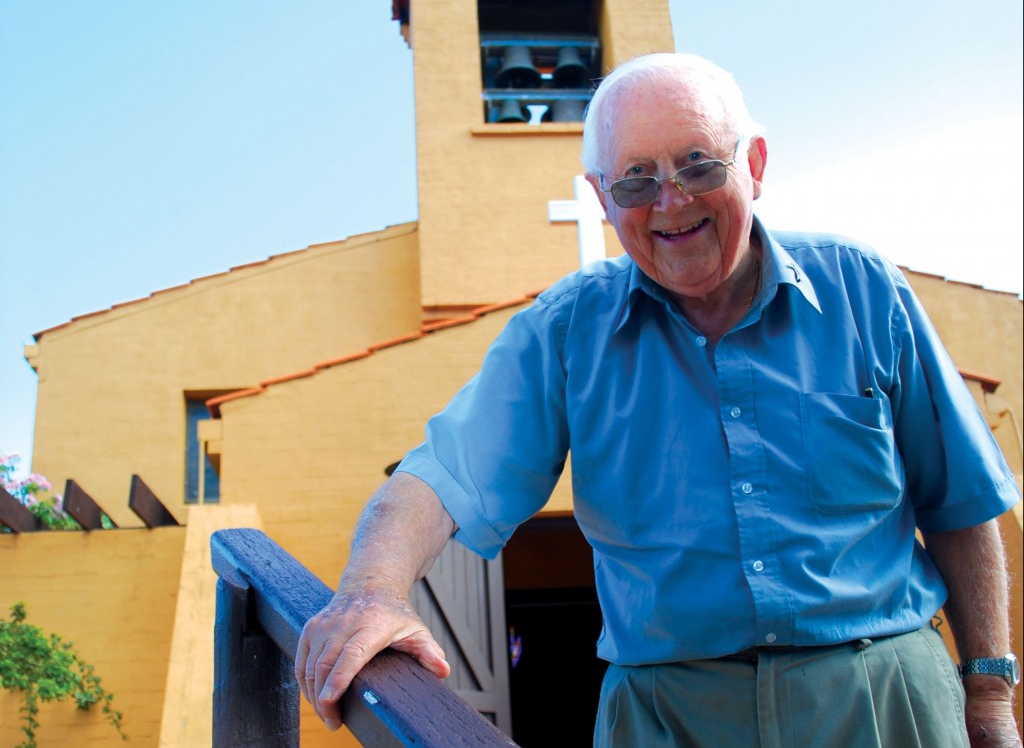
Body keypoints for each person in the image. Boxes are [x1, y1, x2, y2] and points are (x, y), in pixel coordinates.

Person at [296, 53, 1021, 747]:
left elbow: (960, 505)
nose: (671, 202)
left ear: (756, 165)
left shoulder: (865, 290)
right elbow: (437, 477)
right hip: (668, 719)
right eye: (636, 181)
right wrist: (372, 591)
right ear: (602, 196)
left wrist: (989, 692)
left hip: (882, 699)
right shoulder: (565, 331)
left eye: (698, 165)